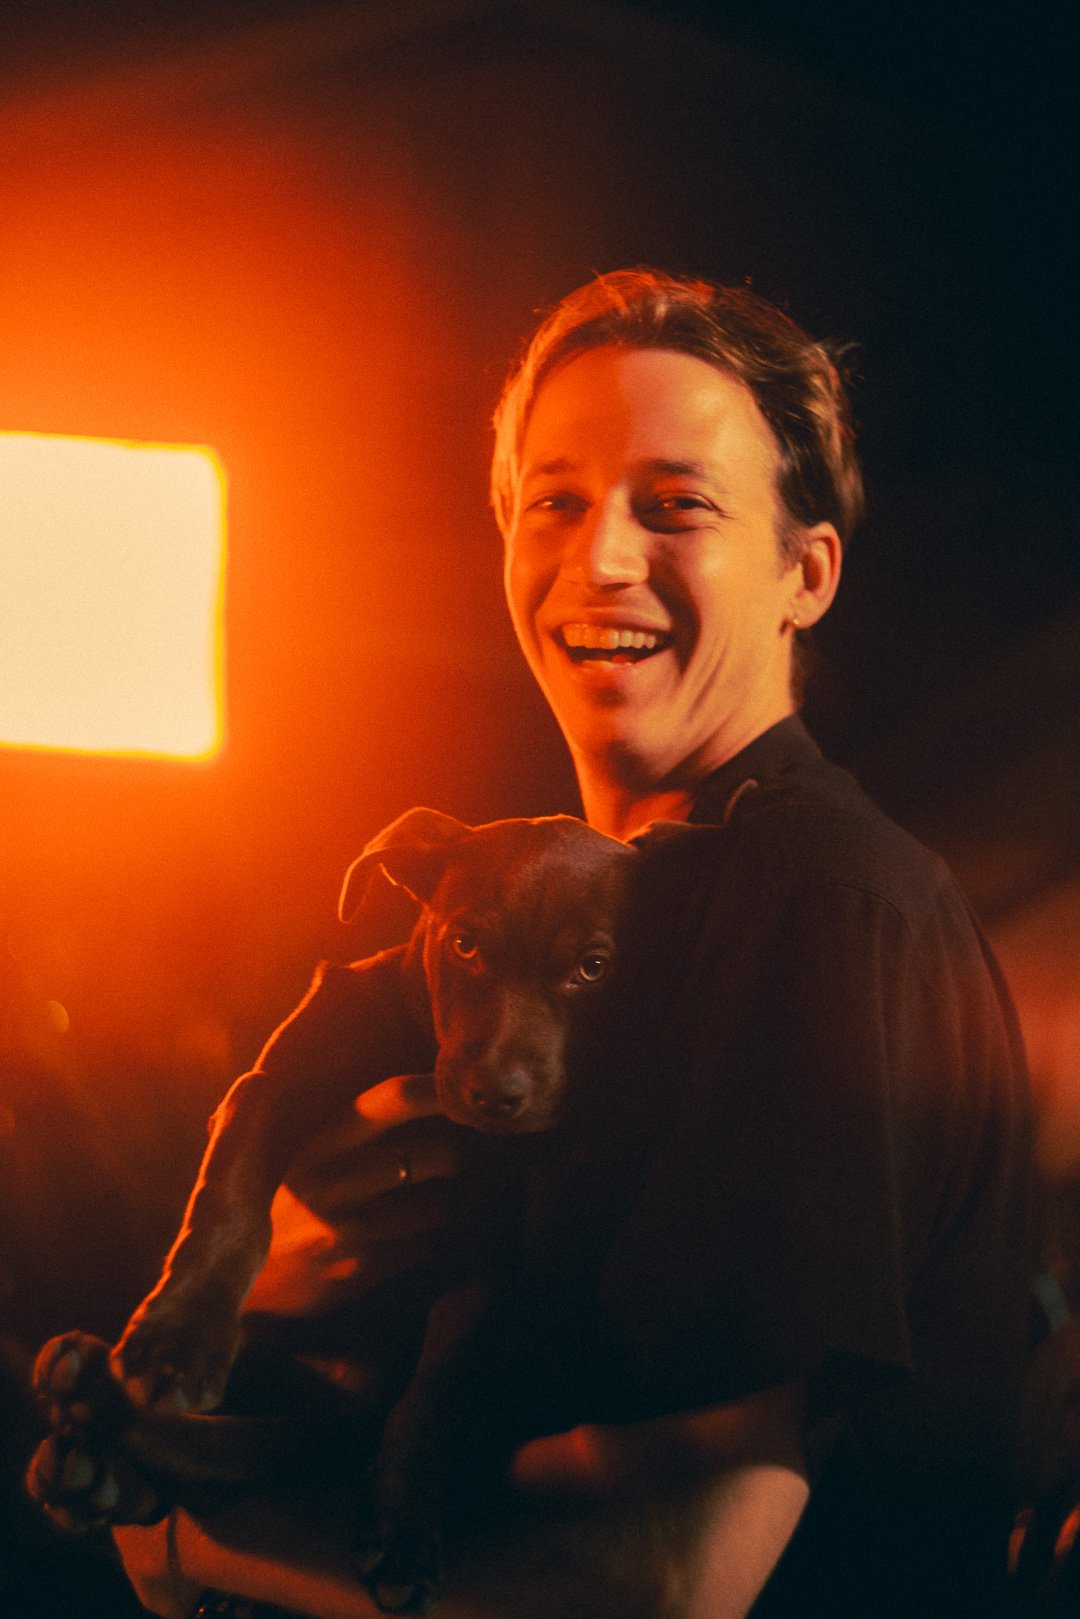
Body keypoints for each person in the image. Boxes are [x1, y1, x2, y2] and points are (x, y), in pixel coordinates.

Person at [112, 269, 1034, 1618]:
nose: (601, 558)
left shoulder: (814, 902)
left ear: (807, 574)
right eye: (555, 501)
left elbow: (662, 1577)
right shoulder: (604, 901)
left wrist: (191, 1540)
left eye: (677, 505)